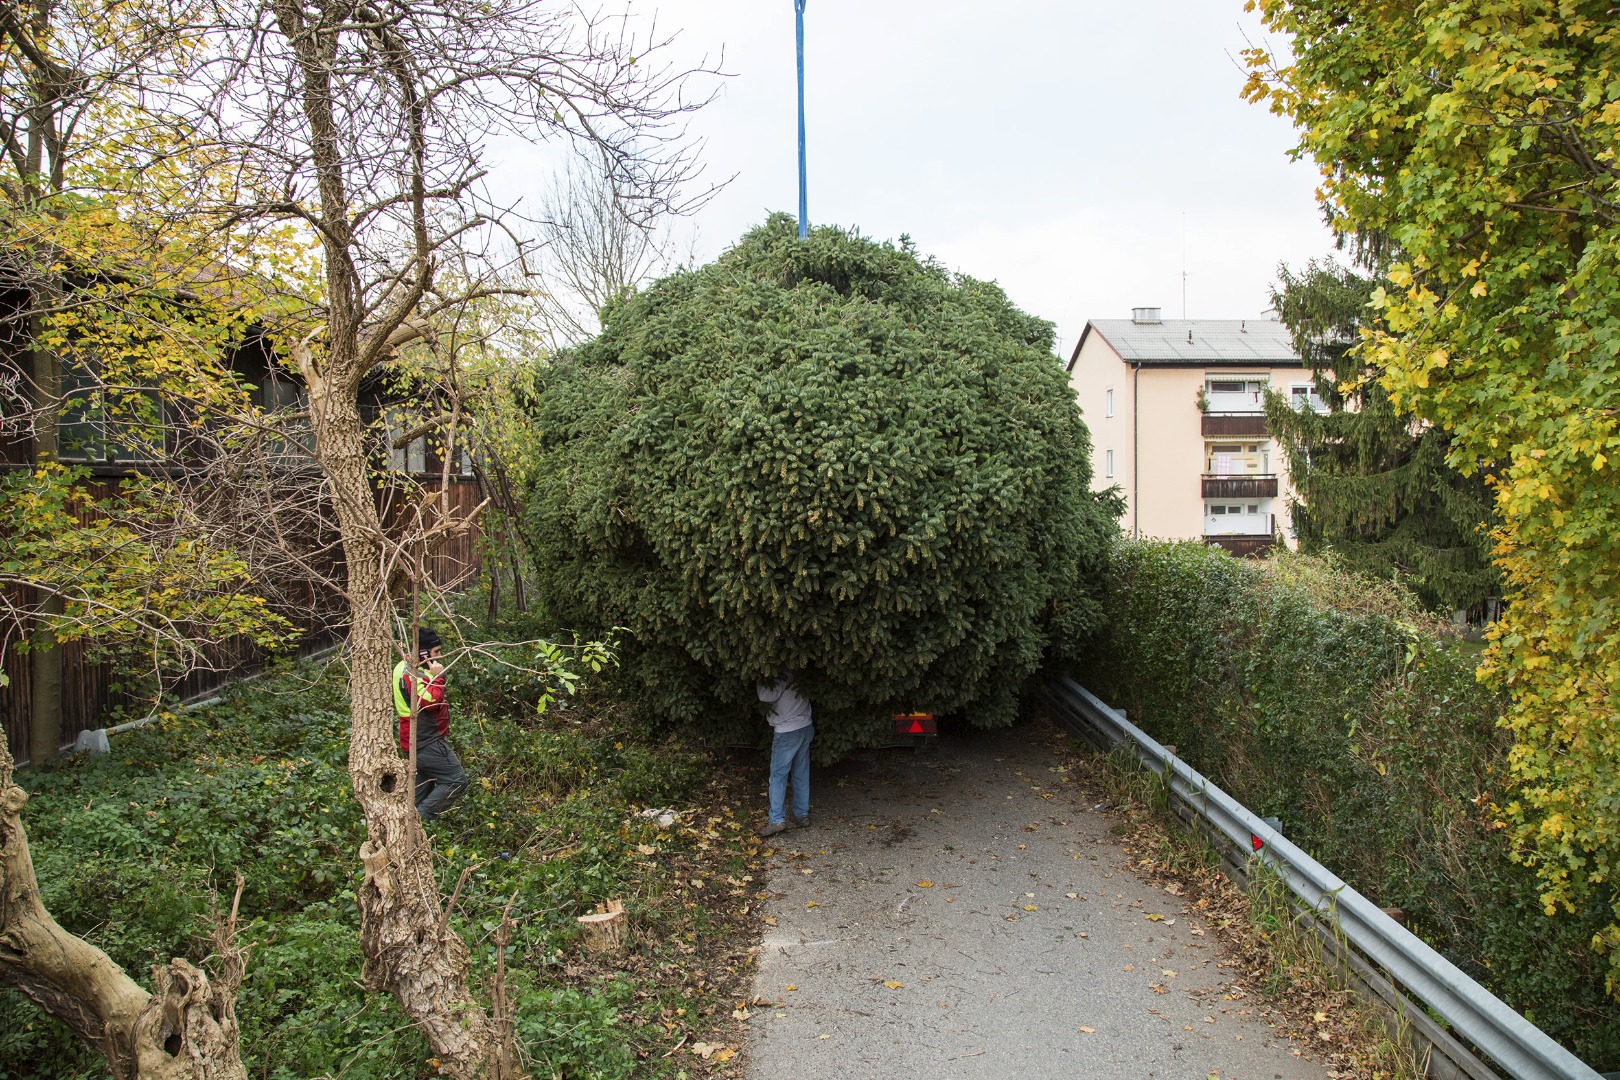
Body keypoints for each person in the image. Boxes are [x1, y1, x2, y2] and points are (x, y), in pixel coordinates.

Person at [393, 625, 467, 824]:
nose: (440, 656)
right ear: (423, 652)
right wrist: (438, 677)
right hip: (426, 741)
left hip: (416, 741)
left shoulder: (406, 667)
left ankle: (407, 832)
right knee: (456, 780)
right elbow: (431, 702)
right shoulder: (410, 673)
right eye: (436, 652)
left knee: (419, 793)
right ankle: (420, 821)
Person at [757, 673, 813, 837]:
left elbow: (765, 695)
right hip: (806, 726)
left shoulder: (777, 674)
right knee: (801, 773)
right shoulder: (796, 669)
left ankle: (776, 820)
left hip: (787, 731)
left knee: (778, 776)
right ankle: (801, 814)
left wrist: (760, 676)